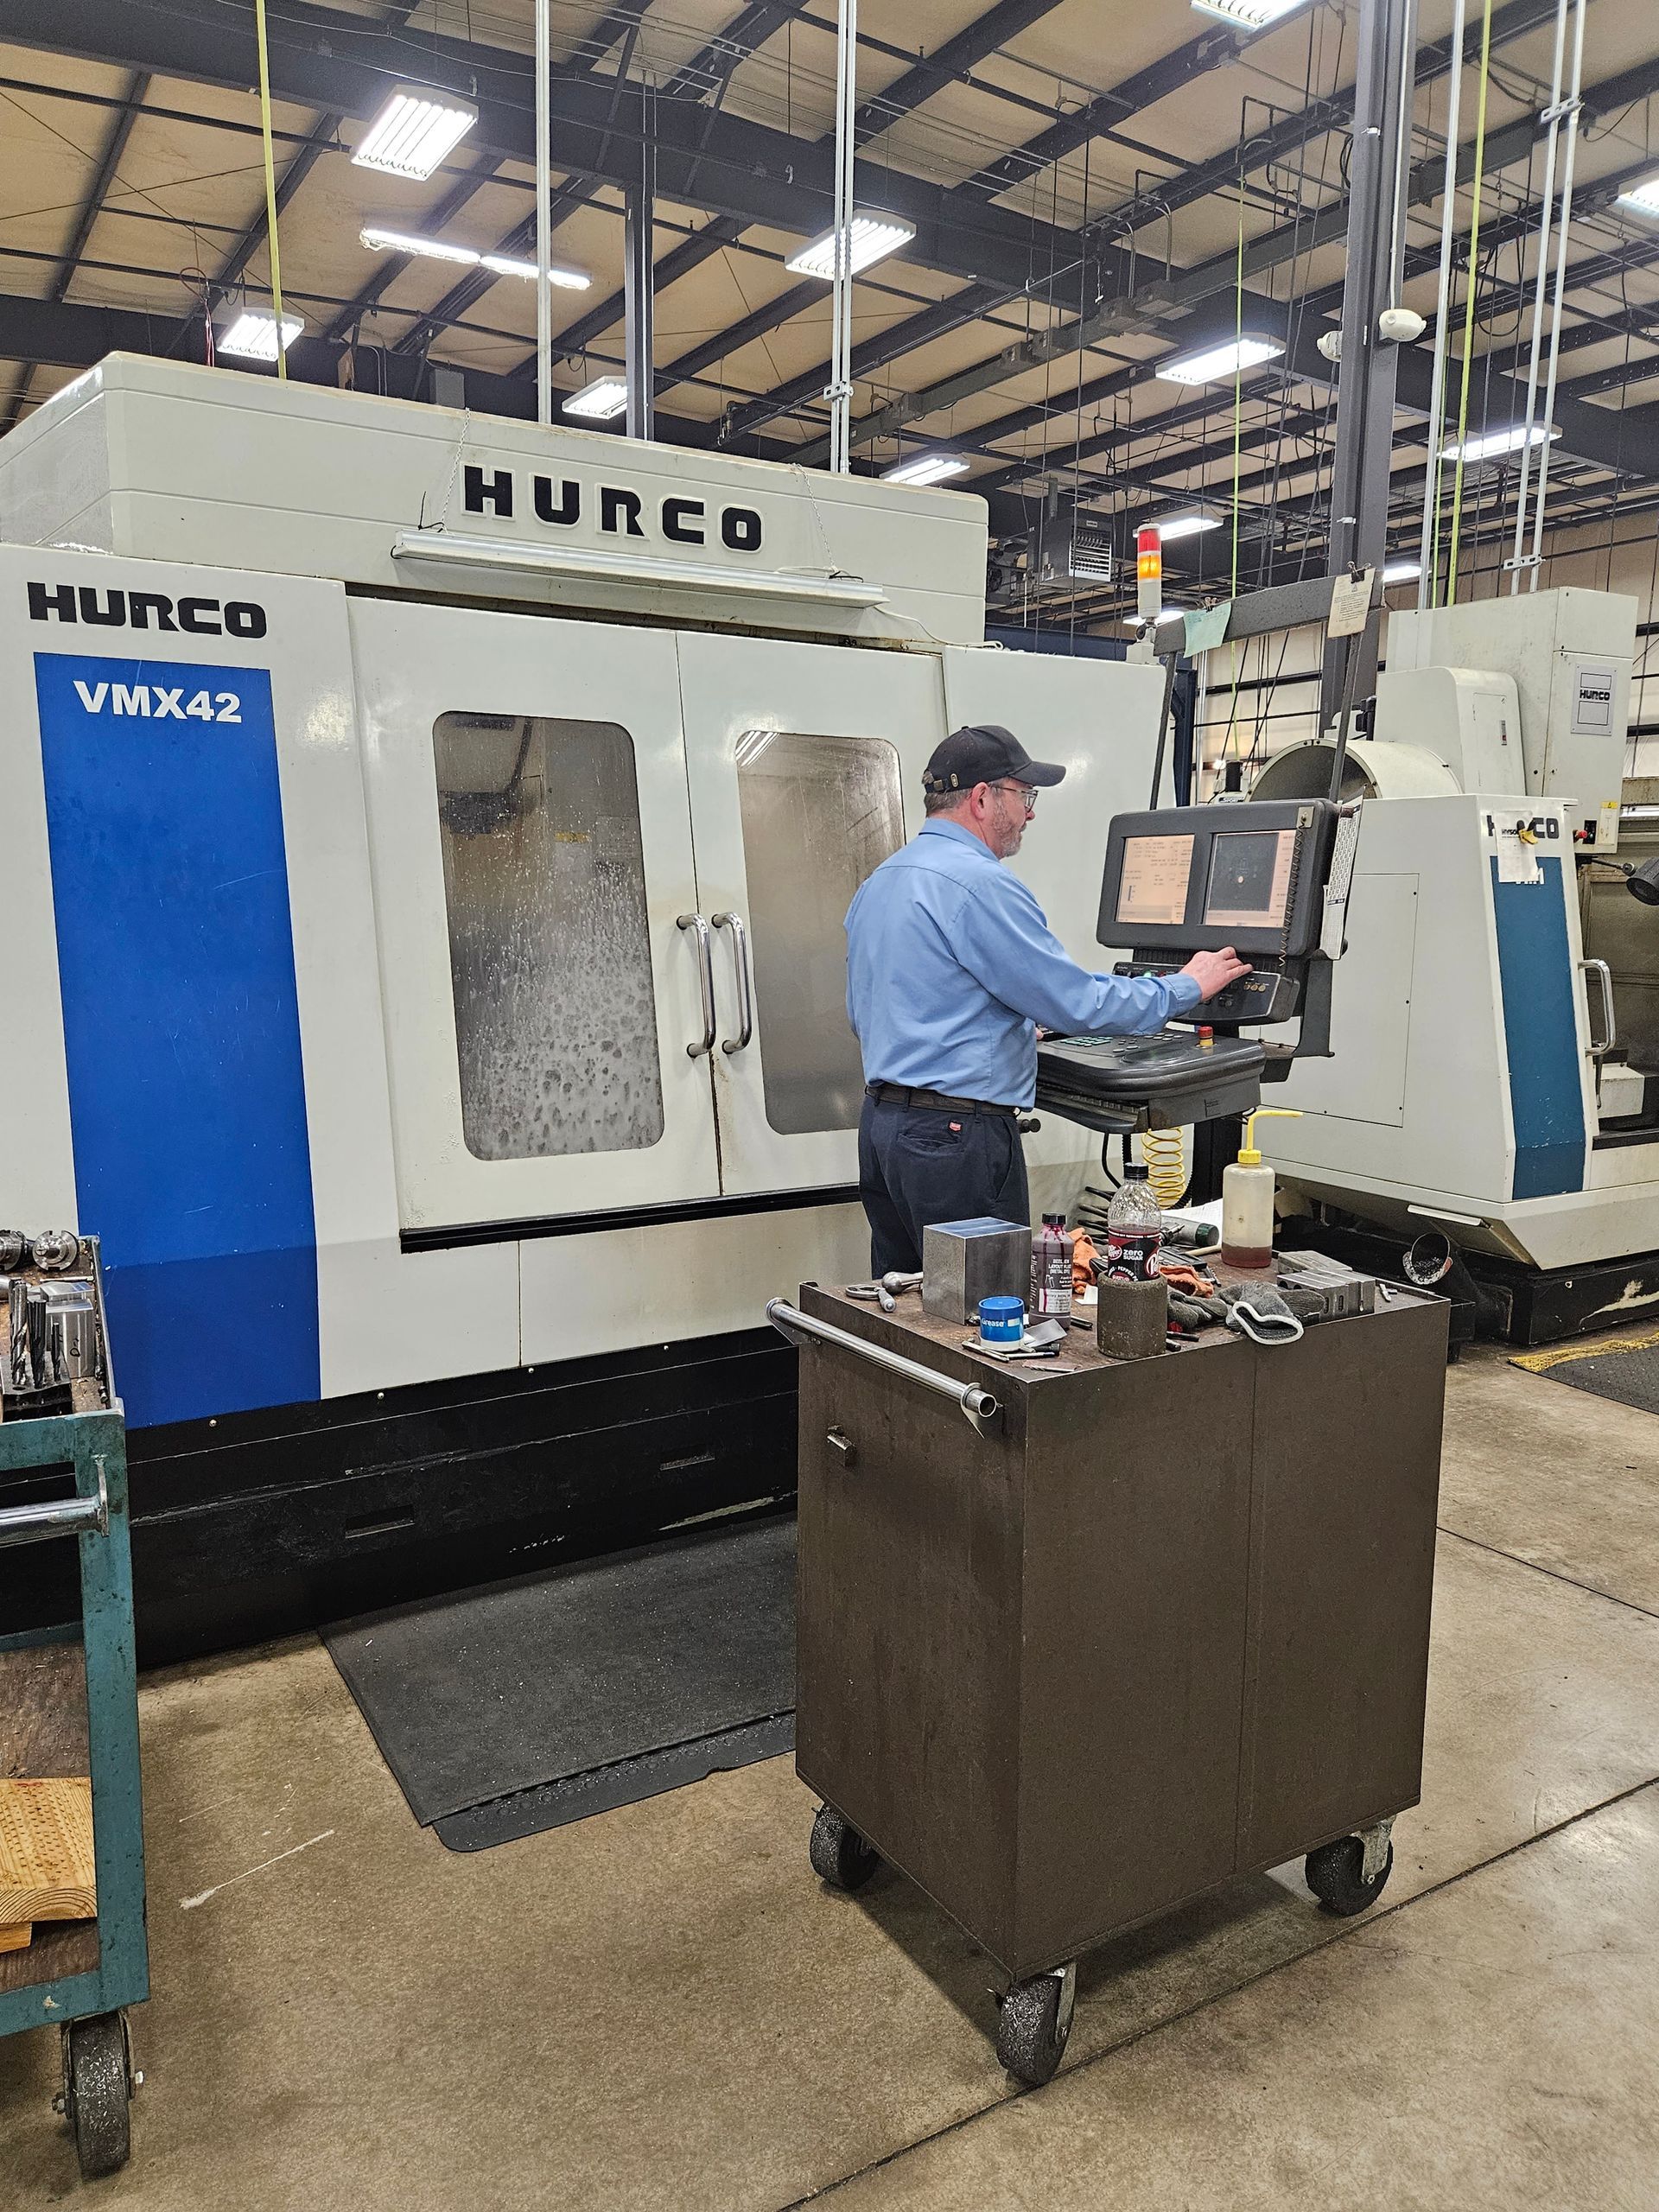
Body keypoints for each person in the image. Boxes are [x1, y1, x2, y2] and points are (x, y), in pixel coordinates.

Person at [844, 723, 1250, 1274]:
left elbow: (871, 1012)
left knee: (907, 1302)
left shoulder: (883, 881)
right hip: (955, 1142)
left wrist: (997, 1030)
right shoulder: (980, 885)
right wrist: (1188, 986)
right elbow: (1077, 1004)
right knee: (986, 1315)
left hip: (884, 1130)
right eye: (1024, 795)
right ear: (984, 798)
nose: (1030, 813)